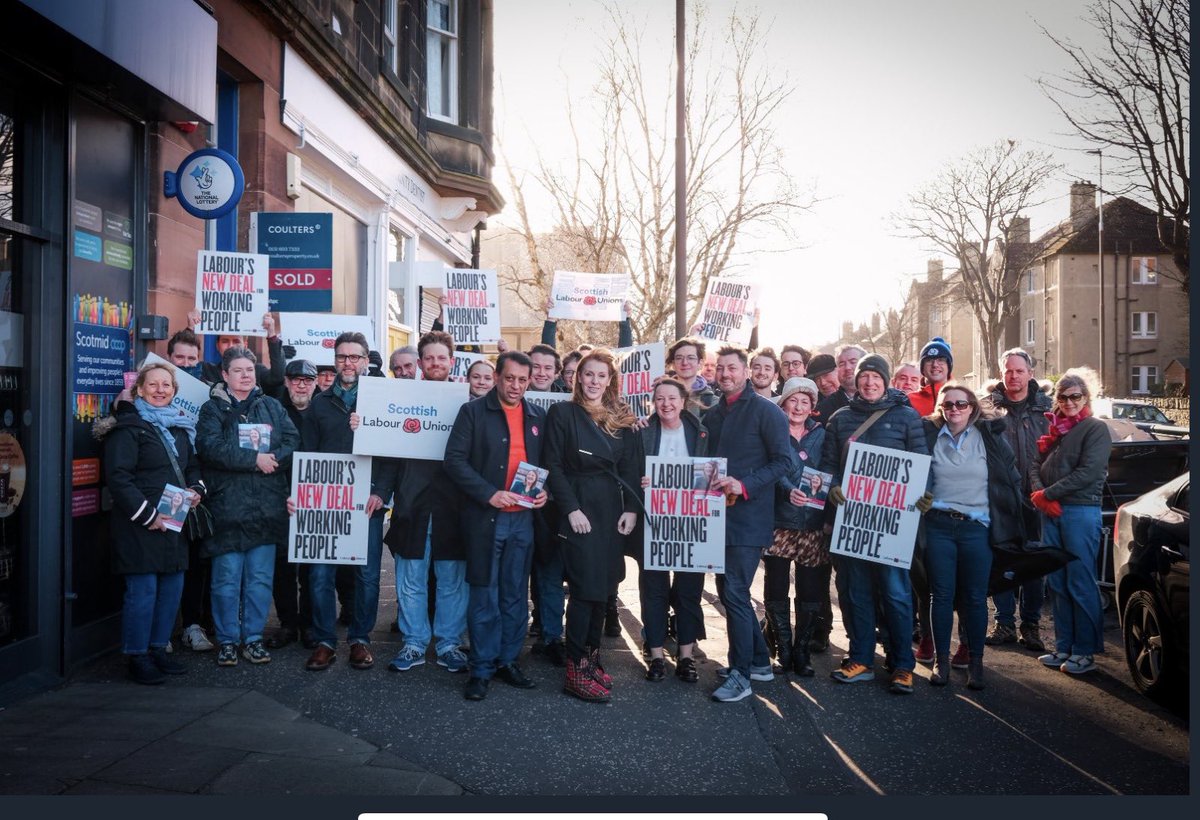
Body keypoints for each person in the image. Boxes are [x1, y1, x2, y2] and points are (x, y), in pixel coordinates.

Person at [443, 351, 548, 701]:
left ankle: (508, 661)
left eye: (523, 379)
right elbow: (454, 462)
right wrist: (489, 494)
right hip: (486, 520)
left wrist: (544, 491)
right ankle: (482, 668)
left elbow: (545, 464)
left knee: (515, 593)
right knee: (485, 594)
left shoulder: (537, 415)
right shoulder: (472, 412)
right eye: (510, 378)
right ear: (498, 377)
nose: (516, 385)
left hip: (524, 519)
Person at [823, 354, 929, 694]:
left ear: (886, 381)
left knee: (896, 594)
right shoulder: (840, 419)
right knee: (856, 594)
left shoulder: (907, 417)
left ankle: (902, 666)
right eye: (864, 377)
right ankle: (861, 659)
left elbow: (922, 464)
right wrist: (833, 487)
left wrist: (924, 494)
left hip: (892, 525)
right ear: (856, 380)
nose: (869, 383)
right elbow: (827, 465)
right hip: (853, 523)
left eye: (876, 377)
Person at [544, 349, 643, 702]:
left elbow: (632, 466)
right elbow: (552, 466)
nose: (594, 381)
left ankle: (592, 657)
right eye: (588, 374)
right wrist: (570, 509)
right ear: (577, 377)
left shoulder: (621, 416)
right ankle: (575, 670)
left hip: (610, 510)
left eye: (601, 376)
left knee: (604, 587)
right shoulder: (563, 413)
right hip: (579, 506)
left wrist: (631, 509)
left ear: (610, 380)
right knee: (585, 589)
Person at [100, 362, 204, 684]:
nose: (160, 390)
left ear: (174, 392)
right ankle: (137, 656)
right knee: (142, 591)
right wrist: (149, 516)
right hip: (140, 524)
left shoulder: (181, 427)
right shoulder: (127, 428)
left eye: (167, 386)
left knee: (171, 590)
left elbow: (192, 466)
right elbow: (118, 479)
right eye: (153, 385)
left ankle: (159, 649)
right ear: (140, 390)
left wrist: (196, 489)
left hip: (174, 520)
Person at [196, 347, 299, 667]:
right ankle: (227, 640)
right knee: (226, 580)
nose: (245, 375)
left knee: (259, 580)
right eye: (238, 370)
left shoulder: (271, 405)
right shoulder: (211, 410)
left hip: (267, 509)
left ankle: (252, 638)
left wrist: (272, 461)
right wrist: (254, 460)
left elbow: (292, 441)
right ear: (225, 375)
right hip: (228, 508)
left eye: (250, 370)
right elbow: (210, 448)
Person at [702, 346, 794, 702]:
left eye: (732, 368)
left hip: (748, 519)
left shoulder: (767, 412)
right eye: (720, 368)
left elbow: (784, 462)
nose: (725, 374)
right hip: (716, 518)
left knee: (737, 593)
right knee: (729, 592)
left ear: (746, 372)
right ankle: (758, 661)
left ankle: (740, 675)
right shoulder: (712, 415)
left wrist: (745, 484)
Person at [919, 383, 1025, 690]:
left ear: (972, 407)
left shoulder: (989, 438)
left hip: (976, 528)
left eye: (960, 404)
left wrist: (1009, 515)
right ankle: (941, 661)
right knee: (940, 596)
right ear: (940, 409)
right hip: (938, 525)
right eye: (947, 405)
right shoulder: (928, 438)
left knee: (975, 598)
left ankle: (976, 663)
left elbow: (1010, 478)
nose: (954, 410)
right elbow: (913, 474)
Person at [302, 333, 393, 672]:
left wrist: (381, 492)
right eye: (342, 357)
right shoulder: (319, 404)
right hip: (327, 501)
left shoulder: (380, 401)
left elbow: (389, 455)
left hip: (367, 500)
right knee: (320, 575)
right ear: (335, 359)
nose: (348, 363)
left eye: (355, 357)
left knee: (367, 575)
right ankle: (326, 640)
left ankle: (360, 639)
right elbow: (307, 454)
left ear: (366, 360)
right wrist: (303, 495)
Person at [385, 330, 470, 674]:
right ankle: (414, 643)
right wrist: (362, 424)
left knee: (452, 580)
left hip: (454, 507)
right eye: (430, 358)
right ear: (420, 364)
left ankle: (449, 643)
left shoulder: (470, 402)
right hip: (413, 505)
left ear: (452, 362)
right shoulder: (398, 399)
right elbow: (386, 450)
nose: (436, 363)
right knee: (410, 580)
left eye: (442, 358)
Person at [1030, 367, 1111, 676]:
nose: (1068, 401)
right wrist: (1040, 493)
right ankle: (1064, 646)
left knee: (1079, 581)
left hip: (1078, 512)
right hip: (1051, 512)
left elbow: (1088, 473)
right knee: (1058, 582)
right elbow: (1035, 464)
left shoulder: (1095, 429)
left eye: (1075, 396)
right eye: (1063, 396)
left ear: (1086, 396)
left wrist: (1047, 493)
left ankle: (1085, 651)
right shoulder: (1056, 431)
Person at [637, 377, 709, 683]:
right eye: (660, 399)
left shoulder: (701, 431)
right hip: (653, 521)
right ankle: (655, 655)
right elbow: (630, 466)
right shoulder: (642, 431)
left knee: (688, 592)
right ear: (653, 402)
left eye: (672, 398)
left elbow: (710, 472)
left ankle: (686, 656)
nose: (666, 404)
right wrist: (642, 479)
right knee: (653, 590)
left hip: (691, 522)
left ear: (683, 401)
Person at [983, 348, 1052, 652]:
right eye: (1008, 371)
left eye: (1019, 371)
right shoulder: (987, 409)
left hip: (1036, 496)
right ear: (1002, 374)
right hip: (999, 496)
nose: (1013, 376)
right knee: (1002, 560)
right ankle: (1004, 623)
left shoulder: (1046, 409)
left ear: (1030, 374)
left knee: (1035, 562)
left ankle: (1032, 625)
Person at [762, 377, 827, 677]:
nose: (798, 407)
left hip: (812, 523)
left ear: (812, 407)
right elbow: (768, 468)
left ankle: (802, 650)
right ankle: (782, 648)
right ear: (784, 403)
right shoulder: (773, 432)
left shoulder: (822, 435)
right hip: (779, 520)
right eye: (793, 401)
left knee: (810, 587)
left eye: (805, 402)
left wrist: (824, 484)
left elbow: (831, 469)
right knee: (776, 585)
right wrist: (788, 489)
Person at [265, 358, 319, 650]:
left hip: (315, 500)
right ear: (286, 382)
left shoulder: (323, 410)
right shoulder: (273, 410)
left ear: (315, 384)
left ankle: (309, 625)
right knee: (283, 568)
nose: (301, 384)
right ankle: (288, 624)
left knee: (311, 570)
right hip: (280, 498)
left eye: (307, 380)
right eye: (295, 379)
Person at [188, 310, 285, 393]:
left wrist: (271, 335)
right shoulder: (206, 370)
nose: (230, 346)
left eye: (236, 341)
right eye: (225, 341)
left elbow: (278, 377)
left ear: (245, 344)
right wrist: (190, 328)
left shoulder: (257, 371)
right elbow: (183, 371)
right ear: (217, 345)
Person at [666, 337, 718, 411]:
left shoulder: (713, 403)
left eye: (690, 358)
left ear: (700, 363)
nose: (684, 362)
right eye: (679, 358)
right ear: (673, 364)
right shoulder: (661, 398)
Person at [816, 344, 863, 420]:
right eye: (842, 364)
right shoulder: (824, 410)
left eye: (853, 362)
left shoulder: (885, 401)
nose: (847, 367)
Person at [909, 336, 952, 417]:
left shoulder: (963, 399)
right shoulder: (909, 401)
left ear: (949, 366)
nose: (935, 365)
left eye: (941, 360)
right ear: (922, 368)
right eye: (929, 360)